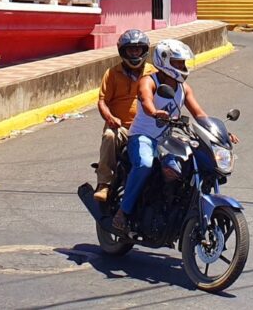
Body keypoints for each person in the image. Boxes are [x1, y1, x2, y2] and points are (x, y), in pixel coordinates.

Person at [113, 39, 238, 233]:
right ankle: (123, 212)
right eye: (178, 63)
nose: (182, 67)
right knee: (145, 165)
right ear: (165, 62)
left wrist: (220, 133)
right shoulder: (149, 81)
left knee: (183, 168)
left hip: (166, 139)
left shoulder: (184, 89)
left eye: (183, 63)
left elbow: (199, 114)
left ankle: (173, 209)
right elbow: (146, 100)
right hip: (143, 137)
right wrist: (154, 112)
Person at [93, 29, 152, 202]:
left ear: (144, 50)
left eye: (138, 49)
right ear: (122, 51)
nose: (134, 53)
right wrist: (110, 118)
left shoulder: (153, 73)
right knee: (109, 136)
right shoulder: (112, 74)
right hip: (121, 128)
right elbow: (102, 101)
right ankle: (104, 183)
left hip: (146, 129)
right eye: (130, 50)